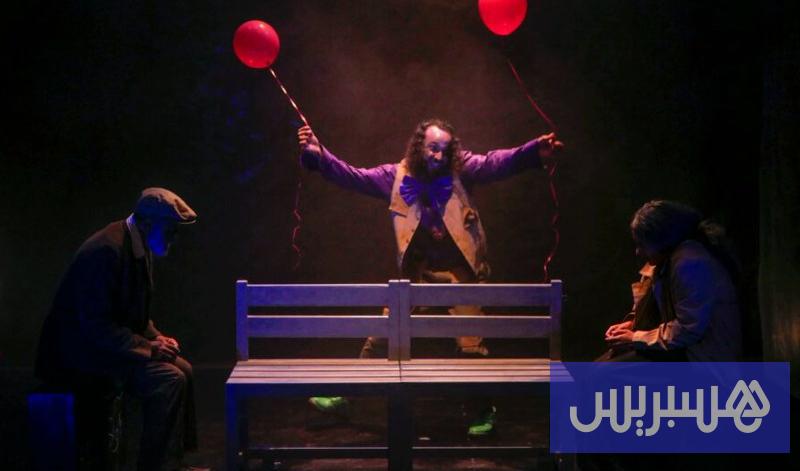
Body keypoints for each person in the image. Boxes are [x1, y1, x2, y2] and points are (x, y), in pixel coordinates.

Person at [297, 119, 563, 435]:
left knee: (470, 344)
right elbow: (354, 176)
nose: (438, 156)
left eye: (444, 150)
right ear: (418, 147)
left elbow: (496, 162)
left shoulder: (461, 171)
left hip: (459, 273)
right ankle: (346, 397)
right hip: (418, 274)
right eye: (432, 148)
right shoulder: (394, 177)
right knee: (382, 335)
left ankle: (482, 410)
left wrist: (533, 152)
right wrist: (321, 156)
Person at [34, 187, 206, 471]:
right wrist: (149, 348)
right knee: (169, 379)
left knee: (184, 369)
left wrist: (156, 337)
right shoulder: (105, 251)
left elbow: (132, 313)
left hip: (105, 346)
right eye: (170, 230)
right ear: (148, 223)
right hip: (80, 355)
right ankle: (156, 467)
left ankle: (174, 461)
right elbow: (94, 326)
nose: (174, 237)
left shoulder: (138, 243)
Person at [602, 200, 742, 362]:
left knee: (606, 371)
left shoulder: (689, 262)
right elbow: (652, 307)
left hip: (700, 358)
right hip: (679, 349)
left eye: (642, 244)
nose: (638, 252)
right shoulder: (663, 261)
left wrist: (635, 337)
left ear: (661, 240)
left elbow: (688, 329)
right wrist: (631, 324)